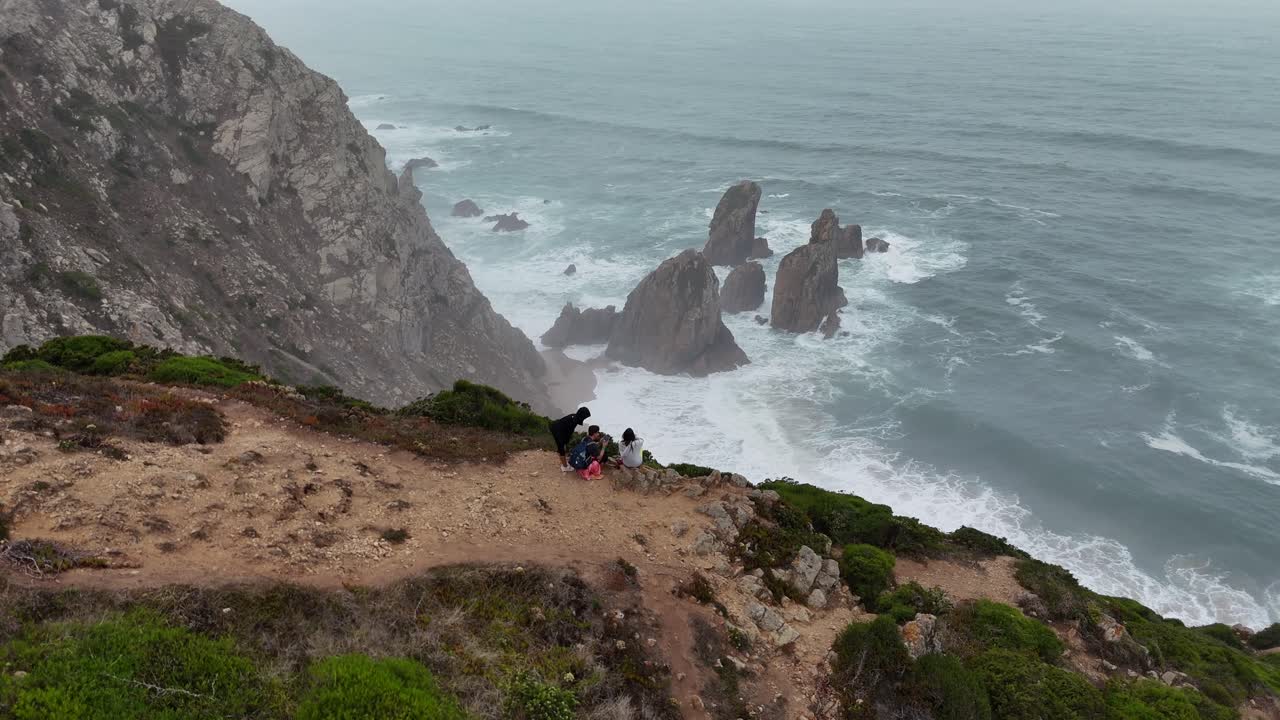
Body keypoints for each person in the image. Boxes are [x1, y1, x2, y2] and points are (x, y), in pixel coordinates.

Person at [549, 407, 591, 471]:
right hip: (557, 430)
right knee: (561, 448)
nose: (584, 418)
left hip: (557, 426)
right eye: (585, 417)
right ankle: (565, 467)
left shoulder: (574, 416)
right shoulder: (573, 421)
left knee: (563, 444)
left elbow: (568, 431)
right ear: (582, 415)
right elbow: (568, 432)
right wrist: (564, 441)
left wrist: (566, 441)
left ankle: (563, 458)